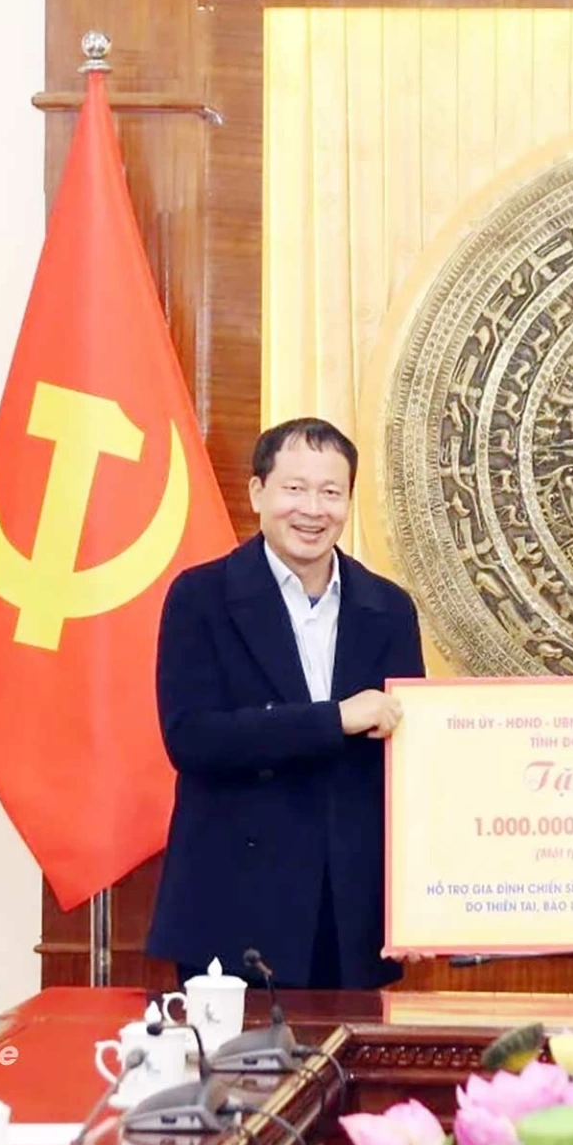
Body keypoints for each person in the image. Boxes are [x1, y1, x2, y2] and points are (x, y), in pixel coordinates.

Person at [147, 418, 425, 990]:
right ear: (258, 493)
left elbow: (409, 773)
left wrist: (419, 902)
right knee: (232, 1079)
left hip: (349, 915)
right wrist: (333, 719)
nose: (312, 509)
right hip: (235, 908)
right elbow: (192, 738)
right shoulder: (200, 597)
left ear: (349, 500)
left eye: (331, 492)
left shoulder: (389, 607)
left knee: (355, 1076)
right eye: (294, 488)